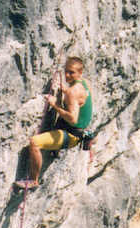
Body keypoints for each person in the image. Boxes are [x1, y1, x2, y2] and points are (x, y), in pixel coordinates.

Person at [15, 56, 92, 188]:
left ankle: (34, 181)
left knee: (34, 143)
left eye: (71, 72)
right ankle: (54, 149)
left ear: (80, 72)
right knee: (59, 122)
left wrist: (55, 105)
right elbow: (79, 99)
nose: (67, 75)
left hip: (71, 135)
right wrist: (65, 90)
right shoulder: (84, 83)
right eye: (66, 71)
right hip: (78, 131)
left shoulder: (73, 92)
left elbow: (73, 119)